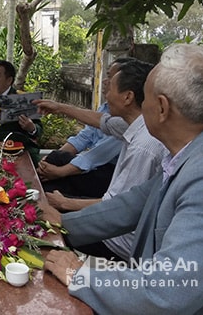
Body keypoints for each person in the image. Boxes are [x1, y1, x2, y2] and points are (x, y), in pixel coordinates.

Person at [41, 43, 203, 314]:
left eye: (147, 99)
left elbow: (169, 291)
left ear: (161, 108)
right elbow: (131, 204)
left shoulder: (200, 178)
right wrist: (63, 222)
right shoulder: (185, 157)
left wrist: (81, 276)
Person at [35, 59, 168, 261]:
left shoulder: (144, 146)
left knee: (40, 223)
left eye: (110, 87)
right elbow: (101, 121)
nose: (106, 93)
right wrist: (59, 107)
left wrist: (64, 206)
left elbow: (116, 209)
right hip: (112, 217)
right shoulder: (135, 125)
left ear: (128, 97)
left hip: (117, 239)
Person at [38, 59, 130, 197]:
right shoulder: (105, 108)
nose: (105, 81)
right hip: (89, 167)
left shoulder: (128, 122)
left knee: (50, 186)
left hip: (106, 172)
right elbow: (83, 137)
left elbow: (97, 155)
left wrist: (60, 171)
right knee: (53, 164)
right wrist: (51, 162)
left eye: (111, 78)